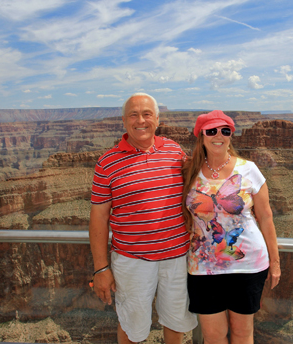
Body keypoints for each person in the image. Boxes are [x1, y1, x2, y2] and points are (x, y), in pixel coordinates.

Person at [89, 93, 197, 344]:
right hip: (132, 262)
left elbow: (199, 183)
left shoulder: (173, 150)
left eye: (147, 114)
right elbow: (98, 219)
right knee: (131, 326)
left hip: (177, 258)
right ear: (124, 121)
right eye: (133, 115)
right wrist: (101, 268)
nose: (141, 120)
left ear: (157, 119)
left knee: (175, 322)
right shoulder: (107, 163)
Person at [182, 110, 281, 344]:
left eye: (225, 131)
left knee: (242, 333)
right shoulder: (188, 171)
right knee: (213, 336)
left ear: (231, 136)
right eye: (212, 130)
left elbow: (266, 218)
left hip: (247, 265)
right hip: (203, 266)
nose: (219, 135)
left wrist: (275, 264)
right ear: (201, 136)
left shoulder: (249, 170)